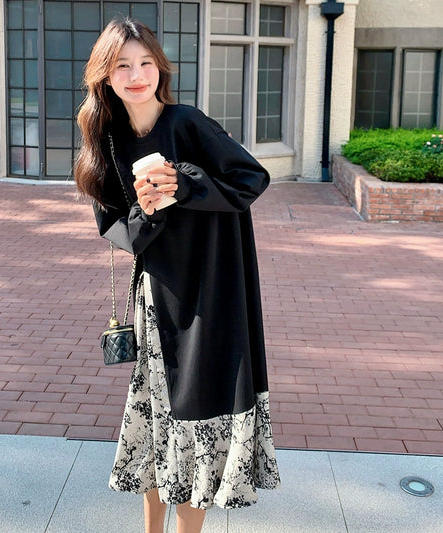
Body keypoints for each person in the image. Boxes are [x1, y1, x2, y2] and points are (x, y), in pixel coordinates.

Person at [74, 17, 280, 533]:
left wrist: (184, 185)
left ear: (160, 69)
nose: (136, 75)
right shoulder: (106, 143)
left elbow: (251, 178)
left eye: (146, 63)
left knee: (196, 418)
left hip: (213, 292)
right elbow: (119, 232)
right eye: (123, 65)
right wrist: (148, 211)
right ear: (104, 75)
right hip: (159, 296)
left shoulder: (188, 123)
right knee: (154, 426)